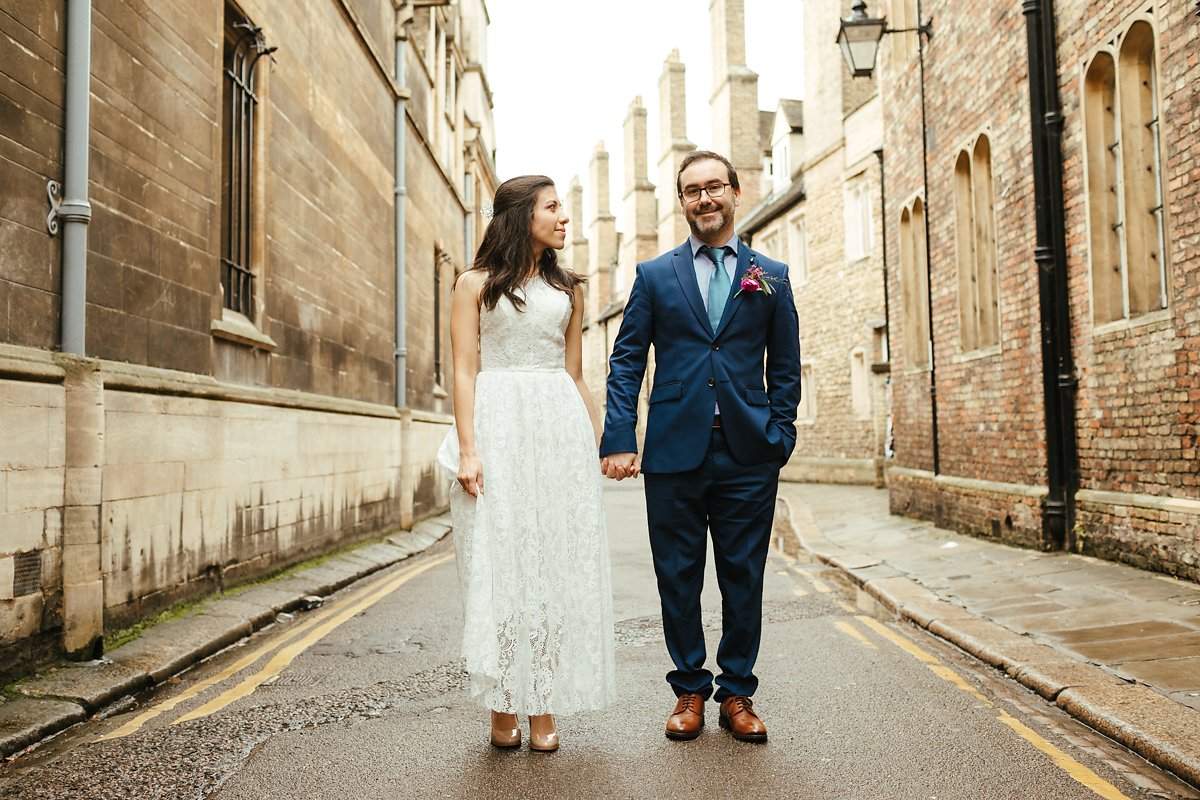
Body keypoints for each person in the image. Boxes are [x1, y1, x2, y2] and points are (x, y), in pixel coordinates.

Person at [599, 150, 801, 744]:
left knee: (744, 575)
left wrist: (779, 436)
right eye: (692, 191)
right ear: (681, 202)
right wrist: (618, 437)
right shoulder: (655, 276)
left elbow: (784, 366)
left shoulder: (772, 275)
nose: (705, 199)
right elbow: (627, 360)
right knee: (677, 576)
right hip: (673, 454)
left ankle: (737, 692)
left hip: (748, 453)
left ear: (736, 193)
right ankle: (689, 686)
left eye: (715, 188)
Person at [438, 175, 616, 753]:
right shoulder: (474, 285)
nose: (564, 217)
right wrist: (469, 449)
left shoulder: (569, 290)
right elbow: (464, 371)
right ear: (520, 216)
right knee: (500, 568)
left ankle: (542, 703)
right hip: (498, 431)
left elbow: (575, 374)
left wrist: (600, 440)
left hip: (556, 434)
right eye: (553, 207)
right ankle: (502, 703)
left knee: (552, 571)